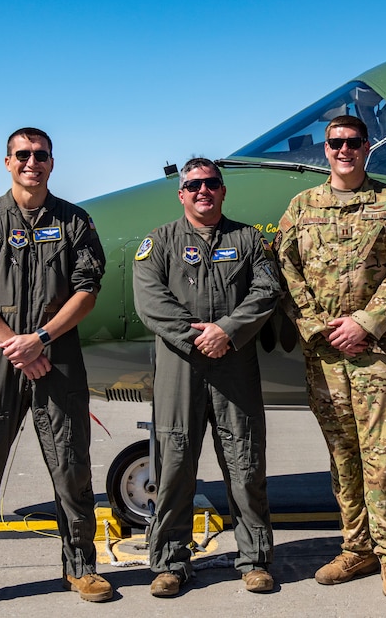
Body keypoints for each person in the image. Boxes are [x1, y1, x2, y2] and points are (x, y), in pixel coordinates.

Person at [0, 127, 112, 615]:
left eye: (41, 155)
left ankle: (80, 566)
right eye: (23, 155)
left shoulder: (75, 221)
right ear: (7, 161)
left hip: (57, 354)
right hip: (0, 359)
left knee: (71, 464)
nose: (32, 162)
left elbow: (87, 290)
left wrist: (41, 339)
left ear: (52, 163)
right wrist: (14, 344)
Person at [274, 114, 386, 599]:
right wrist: (321, 328)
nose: (344, 151)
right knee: (343, 458)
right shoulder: (302, 207)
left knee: (384, 458)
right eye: (336, 143)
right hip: (326, 358)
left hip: (378, 355)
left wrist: (367, 322)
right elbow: (286, 272)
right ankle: (356, 548)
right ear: (326, 149)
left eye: (354, 143)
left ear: (367, 148)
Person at [132, 157, 281, 598]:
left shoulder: (249, 239)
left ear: (222, 190)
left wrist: (228, 331)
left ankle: (254, 560)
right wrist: (199, 337)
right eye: (194, 184)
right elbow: (150, 301)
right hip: (181, 365)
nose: (203, 191)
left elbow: (267, 290)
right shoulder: (158, 242)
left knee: (245, 464)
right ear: (181, 193)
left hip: (234, 363)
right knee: (175, 465)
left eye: (211, 183)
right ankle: (170, 563)